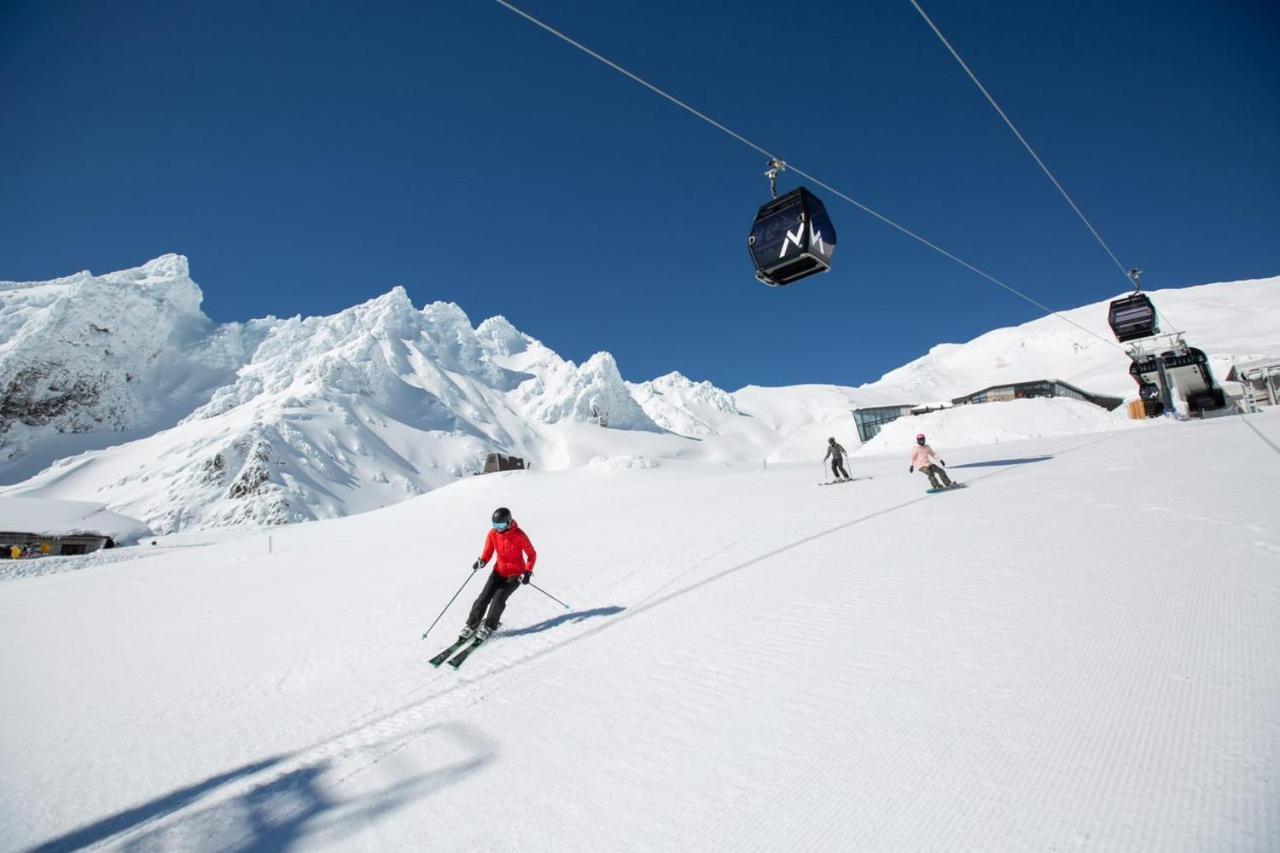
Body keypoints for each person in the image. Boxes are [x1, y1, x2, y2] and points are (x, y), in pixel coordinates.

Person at [462, 507, 537, 640]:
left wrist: (527, 572)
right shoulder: (493, 534)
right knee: (483, 597)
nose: (498, 528)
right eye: (495, 525)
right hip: (498, 571)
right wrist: (482, 562)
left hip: (515, 575)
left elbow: (532, 554)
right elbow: (488, 552)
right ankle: (471, 625)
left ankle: (489, 626)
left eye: (501, 525)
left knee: (498, 598)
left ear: (508, 522)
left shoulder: (519, 535)